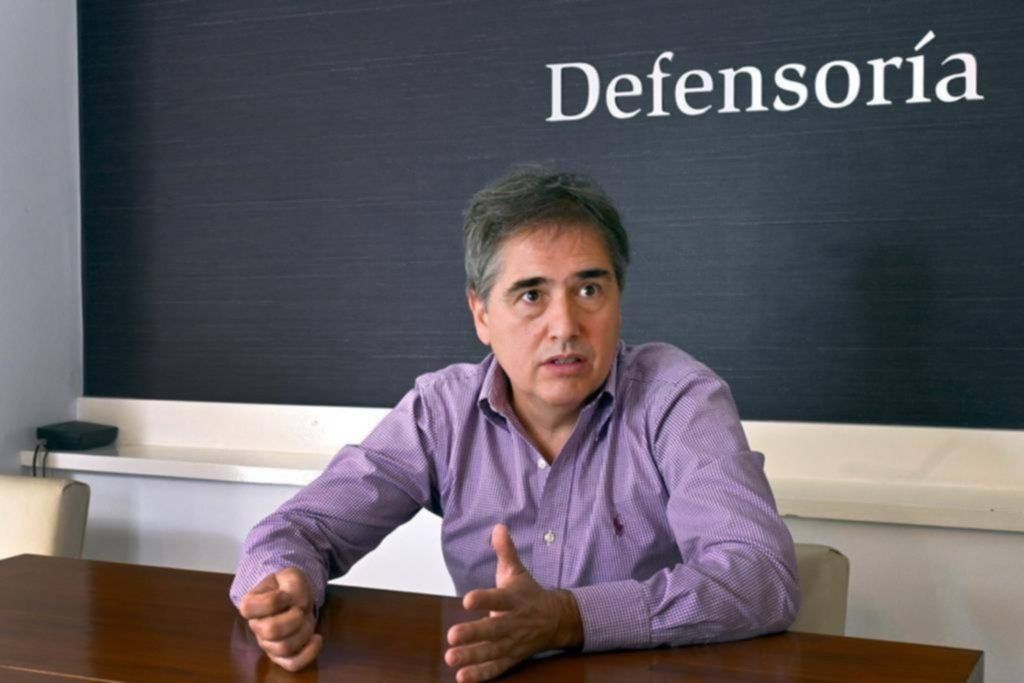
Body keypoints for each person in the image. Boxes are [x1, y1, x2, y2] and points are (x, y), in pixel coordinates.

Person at [230, 166, 799, 681]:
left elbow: (760, 576)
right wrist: (283, 587)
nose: (565, 326)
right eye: (531, 295)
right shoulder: (442, 412)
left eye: (589, 290)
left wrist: (568, 618)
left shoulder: (678, 399)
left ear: (618, 298)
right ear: (481, 313)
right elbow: (299, 528)